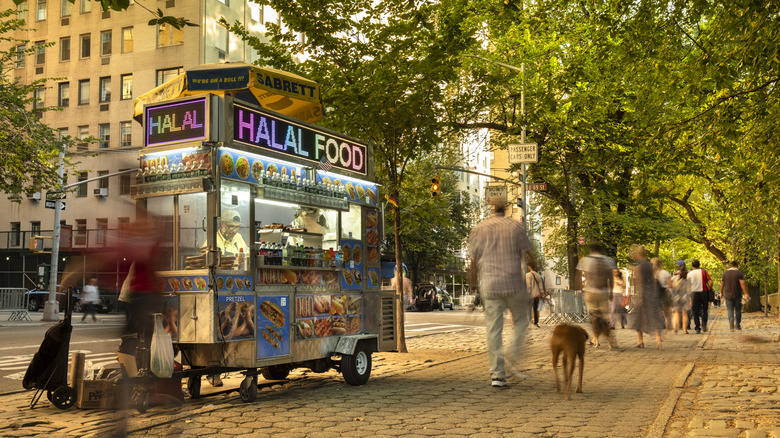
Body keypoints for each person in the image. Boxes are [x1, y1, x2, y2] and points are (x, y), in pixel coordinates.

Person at [468, 196, 535, 388]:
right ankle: (511, 355)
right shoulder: (515, 227)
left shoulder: (479, 229)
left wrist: (474, 287)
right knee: (522, 321)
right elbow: (530, 253)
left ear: (491, 210)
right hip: (514, 283)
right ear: (505, 209)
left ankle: (497, 376)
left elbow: (473, 262)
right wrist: (535, 270)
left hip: (489, 285)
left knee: (493, 330)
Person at [576, 242, 616, 344]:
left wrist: (580, 290)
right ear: (601, 249)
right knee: (604, 317)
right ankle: (609, 336)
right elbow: (610, 278)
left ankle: (595, 338)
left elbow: (578, 276)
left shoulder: (585, 260)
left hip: (590, 292)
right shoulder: (608, 260)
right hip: (603, 292)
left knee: (594, 315)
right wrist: (611, 291)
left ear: (591, 250)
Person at [628, 245, 665, 349]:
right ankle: (658, 340)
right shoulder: (650, 265)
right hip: (651, 292)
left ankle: (640, 341)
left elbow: (639, 282)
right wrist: (655, 293)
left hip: (643, 292)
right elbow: (653, 280)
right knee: (654, 316)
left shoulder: (638, 267)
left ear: (638, 254)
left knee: (639, 318)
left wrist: (639, 297)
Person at [720, 260, 749, 331]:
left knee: (730, 310)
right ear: (737, 265)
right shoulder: (739, 273)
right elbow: (742, 283)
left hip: (728, 295)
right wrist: (745, 293)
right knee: (738, 310)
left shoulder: (725, 273)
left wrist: (721, 293)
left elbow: (722, 284)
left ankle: (731, 322)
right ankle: (737, 325)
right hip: (737, 294)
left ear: (730, 265)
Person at [688, 259, 711, 333]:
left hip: (694, 293)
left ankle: (697, 327)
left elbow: (689, 287)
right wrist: (709, 288)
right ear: (699, 265)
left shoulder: (690, 274)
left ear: (692, 266)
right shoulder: (704, 272)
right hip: (704, 292)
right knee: (705, 310)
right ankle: (704, 323)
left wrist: (690, 299)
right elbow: (710, 282)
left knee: (695, 311)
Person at [651, 257, 673, 333]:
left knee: (657, 315)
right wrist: (669, 286)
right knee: (667, 315)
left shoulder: (652, 273)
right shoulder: (665, 272)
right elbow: (670, 284)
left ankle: (658, 335)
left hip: (654, 295)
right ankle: (667, 330)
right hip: (664, 293)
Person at [669, 261, 691, 334]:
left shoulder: (674, 277)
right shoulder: (688, 279)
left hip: (676, 297)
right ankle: (685, 330)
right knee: (685, 314)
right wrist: (691, 300)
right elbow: (689, 290)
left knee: (676, 312)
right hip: (685, 297)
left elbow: (670, 285)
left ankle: (675, 328)